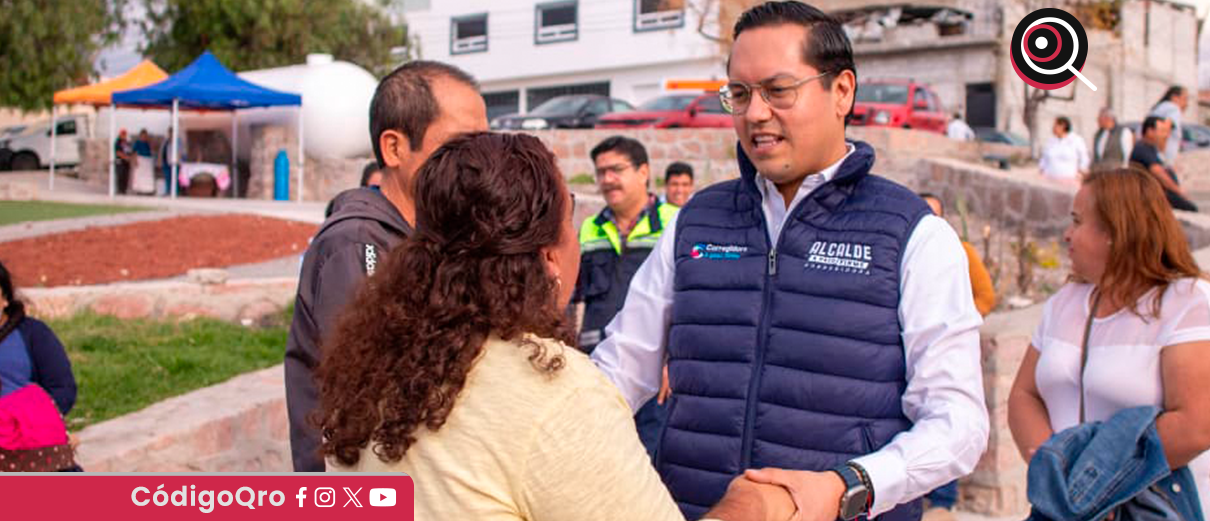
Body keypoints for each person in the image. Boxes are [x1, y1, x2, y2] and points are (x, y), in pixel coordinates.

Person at [591, 3, 989, 520]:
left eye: (779, 91)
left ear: (842, 90)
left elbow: (959, 423)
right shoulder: (694, 224)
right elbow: (618, 372)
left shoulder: (913, 235)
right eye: (739, 93)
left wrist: (848, 488)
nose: (755, 113)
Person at [320, 132, 796, 521]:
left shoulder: (371, 370)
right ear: (548, 256)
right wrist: (749, 508)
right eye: (569, 214)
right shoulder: (555, 396)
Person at [285, 60, 488, 473]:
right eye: (460, 145)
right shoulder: (357, 244)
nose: (478, 162)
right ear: (394, 148)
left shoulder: (433, 234)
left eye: (482, 144)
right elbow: (374, 385)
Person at [1007, 167, 1210, 517]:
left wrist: (1099, 486)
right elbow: (1024, 396)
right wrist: (1059, 479)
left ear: (1117, 230)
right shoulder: (1063, 304)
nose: (1066, 234)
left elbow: (1197, 425)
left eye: (1076, 221)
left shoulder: (1188, 302)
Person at [917, 194, 996, 521]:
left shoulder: (961, 252)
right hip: (911, 345)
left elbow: (986, 295)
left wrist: (955, 322)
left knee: (945, 417)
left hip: (947, 347)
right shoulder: (904, 251)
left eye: (934, 214)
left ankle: (943, 500)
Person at [574, 136, 678, 354]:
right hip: (596, 357)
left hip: (653, 360)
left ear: (643, 173)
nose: (607, 179)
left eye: (616, 169)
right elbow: (574, 298)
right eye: (601, 172)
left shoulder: (675, 223)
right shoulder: (590, 228)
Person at [1130, 116, 1197, 212]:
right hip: (1150, 194)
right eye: (1161, 131)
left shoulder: (1151, 147)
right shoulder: (1142, 149)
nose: (1165, 135)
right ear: (1150, 131)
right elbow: (1159, 173)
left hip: (1156, 193)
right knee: (1192, 209)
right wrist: (1178, 191)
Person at [1039, 116, 1089, 184]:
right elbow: (1044, 158)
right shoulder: (1050, 140)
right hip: (1049, 178)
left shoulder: (1076, 140)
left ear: (1063, 126)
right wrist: (1042, 170)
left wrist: (1081, 172)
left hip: (1070, 179)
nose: (1053, 128)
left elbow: (1084, 157)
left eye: (1055, 125)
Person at [1149, 86, 1188, 165]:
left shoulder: (1160, 107)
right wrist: (1162, 155)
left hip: (1152, 154)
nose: (1187, 103)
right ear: (1174, 97)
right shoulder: (1173, 108)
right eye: (1185, 98)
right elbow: (1164, 128)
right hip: (1164, 159)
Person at [158, 127, 184, 196]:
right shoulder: (166, 141)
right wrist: (160, 160)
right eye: (169, 132)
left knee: (175, 178)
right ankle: (167, 191)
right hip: (166, 162)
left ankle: (175, 192)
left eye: (172, 132)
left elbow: (181, 151)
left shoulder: (178, 140)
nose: (170, 134)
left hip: (175, 162)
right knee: (167, 177)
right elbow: (162, 150)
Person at [114, 129, 134, 195]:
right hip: (119, 161)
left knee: (126, 176)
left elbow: (130, 151)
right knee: (120, 175)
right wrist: (125, 157)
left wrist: (129, 157)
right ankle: (119, 190)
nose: (124, 136)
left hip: (126, 162)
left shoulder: (127, 142)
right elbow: (118, 152)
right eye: (123, 134)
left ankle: (124, 190)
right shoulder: (118, 142)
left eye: (125, 134)